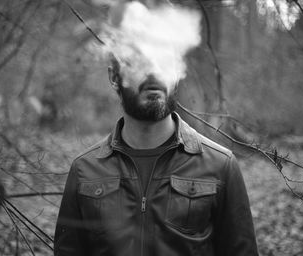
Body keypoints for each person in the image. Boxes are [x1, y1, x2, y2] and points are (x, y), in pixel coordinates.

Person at [54, 2, 258, 255]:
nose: (154, 73)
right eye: (139, 61)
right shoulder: (85, 170)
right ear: (114, 77)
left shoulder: (220, 165)